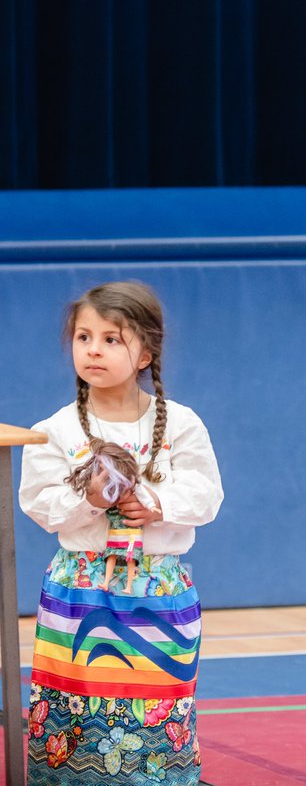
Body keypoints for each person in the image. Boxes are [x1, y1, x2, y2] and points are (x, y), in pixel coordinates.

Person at [19, 280, 224, 786]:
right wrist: (87, 500)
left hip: (157, 590)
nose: (94, 349)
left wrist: (155, 505)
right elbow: (40, 504)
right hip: (80, 592)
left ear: (144, 353)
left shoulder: (181, 424)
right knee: (77, 712)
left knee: (156, 708)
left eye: (112, 339)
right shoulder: (54, 430)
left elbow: (207, 496)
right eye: (84, 336)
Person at [65, 438, 158, 593]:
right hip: (113, 539)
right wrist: (94, 501)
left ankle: (128, 585)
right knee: (114, 556)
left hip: (131, 537)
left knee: (130, 558)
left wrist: (157, 506)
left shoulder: (135, 488)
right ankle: (108, 582)